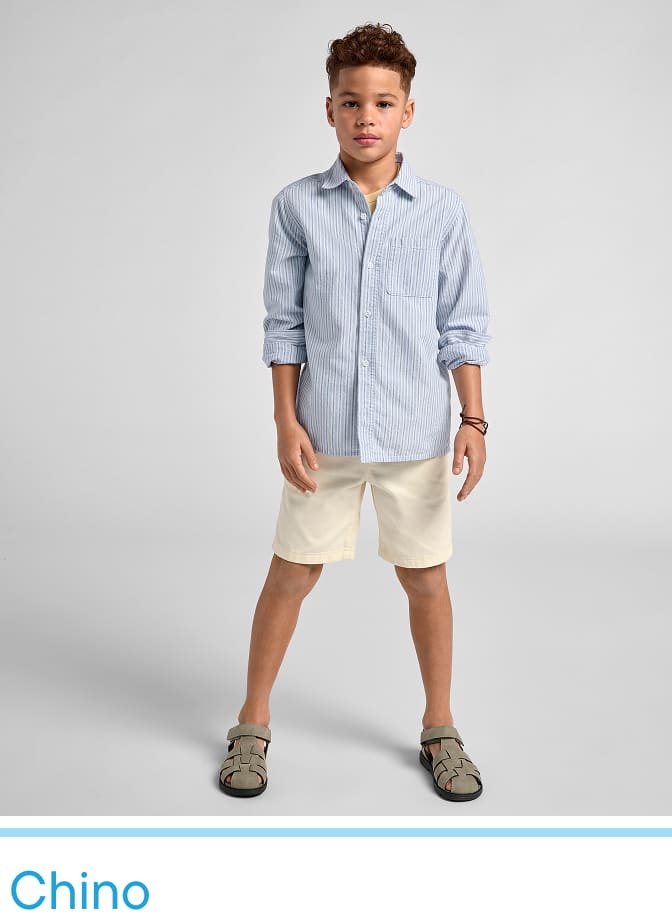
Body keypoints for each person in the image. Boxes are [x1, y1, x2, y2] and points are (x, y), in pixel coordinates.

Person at [219, 21, 491, 801]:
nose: (366, 116)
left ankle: (440, 726)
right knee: (290, 573)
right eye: (350, 101)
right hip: (325, 435)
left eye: (382, 102)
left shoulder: (442, 212)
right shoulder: (297, 207)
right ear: (330, 109)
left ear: (408, 110)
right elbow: (284, 325)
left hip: (414, 435)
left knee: (427, 579)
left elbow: (462, 326)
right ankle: (251, 722)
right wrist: (285, 421)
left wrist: (472, 419)